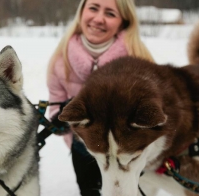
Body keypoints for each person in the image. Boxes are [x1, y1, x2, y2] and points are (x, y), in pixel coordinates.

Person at [46, 0, 153, 195]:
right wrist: (62, 119)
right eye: (93, 8)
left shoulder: (137, 57)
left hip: (127, 151)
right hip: (84, 148)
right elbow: (55, 104)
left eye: (110, 13)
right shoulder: (60, 59)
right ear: (82, 12)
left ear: (123, 22)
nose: (98, 19)